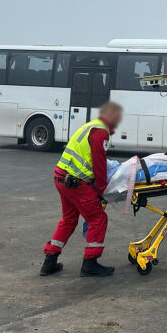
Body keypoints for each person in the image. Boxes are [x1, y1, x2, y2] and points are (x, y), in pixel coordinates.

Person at [40, 102, 123, 278]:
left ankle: (49, 261)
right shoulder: (100, 133)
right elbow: (99, 165)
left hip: (61, 177)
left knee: (69, 219)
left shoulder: (90, 126)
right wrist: (102, 191)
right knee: (98, 218)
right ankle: (90, 264)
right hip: (76, 182)